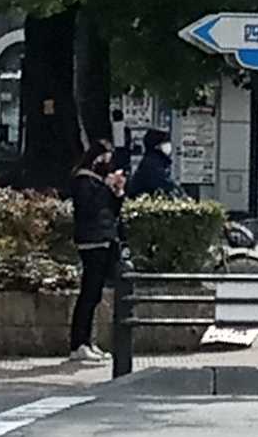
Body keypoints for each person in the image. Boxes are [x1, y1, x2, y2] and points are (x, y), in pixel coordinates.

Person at [68, 140, 126, 363]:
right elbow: (90, 208)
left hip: (104, 240)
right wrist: (105, 188)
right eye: (106, 158)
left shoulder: (97, 183)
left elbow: (111, 210)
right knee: (89, 293)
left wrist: (117, 192)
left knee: (94, 294)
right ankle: (78, 343)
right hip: (91, 241)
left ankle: (87, 342)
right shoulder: (83, 181)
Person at [127, 128, 180, 199]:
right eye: (165, 143)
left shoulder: (157, 161)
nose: (169, 146)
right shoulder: (152, 163)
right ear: (156, 146)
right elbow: (163, 183)